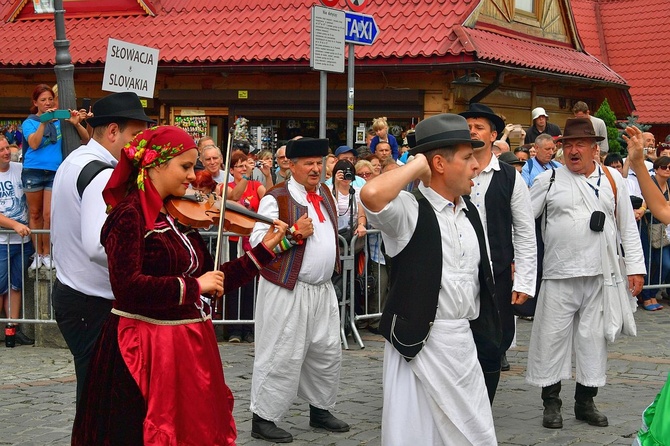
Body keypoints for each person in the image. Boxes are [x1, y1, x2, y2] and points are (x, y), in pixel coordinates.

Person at [70, 126, 288, 445]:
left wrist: (264, 250)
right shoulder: (129, 215)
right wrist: (191, 286)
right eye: (185, 166)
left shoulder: (178, 215)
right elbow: (127, 286)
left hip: (188, 345)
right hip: (145, 346)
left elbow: (213, 279)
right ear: (158, 164)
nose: (192, 175)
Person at [360, 113, 500, 445]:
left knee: (474, 434)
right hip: (418, 344)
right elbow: (372, 194)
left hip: (462, 342)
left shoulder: (469, 212)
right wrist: (414, 166)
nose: (475, 166)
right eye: (467, 158)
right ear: (438, 162)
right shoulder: (409, 209)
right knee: (416, 435)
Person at [526, 117, 646, 430]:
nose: (572, 150)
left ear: (595, 149)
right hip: (559, 273)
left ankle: (585, 401)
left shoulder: (613, 180)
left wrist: (635, 269)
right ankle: (551, 403)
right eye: (568, 145)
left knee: (593, 339)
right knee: (550, 339)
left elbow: (627, 228)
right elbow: (524, 221)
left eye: (580, 144)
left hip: (601, 275)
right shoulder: (548, 180)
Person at [50, 91, 155, 406]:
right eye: (135, 135)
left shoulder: (76, 159)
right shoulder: (103, 174)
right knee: (100, 399)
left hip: (75, 293)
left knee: (96, 393)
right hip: (90, 302)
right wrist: (145, 261)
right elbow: (98, 245)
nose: (140, 144)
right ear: (112, 131)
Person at [249, 137, 349, 443]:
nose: (316, 169)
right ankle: (263, 418)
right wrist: (292, 235)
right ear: (291, 166)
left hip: (322, 289)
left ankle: (320, 409)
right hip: (287, 289)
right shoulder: (276, 198)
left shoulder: (326, 194)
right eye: (309, 164)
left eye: (319, 163)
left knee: (326, 351)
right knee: (281, 352)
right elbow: (257, 243)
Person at [460, 102, 537, 401]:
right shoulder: (454, 172)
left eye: (479, 127)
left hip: (497, 273)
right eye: (468, 127)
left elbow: (525, 232)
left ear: (493, 135)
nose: (472, 131)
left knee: (496, 342)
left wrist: (525, 282)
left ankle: (483, 404)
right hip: (459, 273)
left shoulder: (509, 177)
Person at [22, 84, 88, 270]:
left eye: (50, 99)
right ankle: (38, 253)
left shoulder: (60, 119)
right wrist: (44, 122)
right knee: (34, 213)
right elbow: (34, 144)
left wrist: (78, 121)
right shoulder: (30, 122)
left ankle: (48, 252)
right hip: (33, 171)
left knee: (48, 215)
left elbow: (85, 138)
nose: (47, 103)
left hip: (54, 171)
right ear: (35, 103)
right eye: (42, 100)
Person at [222, 151, 268, 342]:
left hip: (250, 240)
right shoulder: (224, 185)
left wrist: (268, 176)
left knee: (251, 285)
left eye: (245, 165)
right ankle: (234, 329)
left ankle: (249, 327)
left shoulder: (257, 186)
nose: (243, 169)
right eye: (239, 166)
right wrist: (246, 176)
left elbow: (270, 201)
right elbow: (234, 196)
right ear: (231, 170)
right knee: (234, 282)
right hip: (234, 241)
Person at [0, 135, 34, 345]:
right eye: (1, 150)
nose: (6, 152)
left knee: (16, 285)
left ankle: (12, 329)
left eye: (6, 148)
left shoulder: (19, 169)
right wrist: (14, 225)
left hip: (22, 241)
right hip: (1, 241)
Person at [636, 156, 670, 311]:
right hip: (648, 228)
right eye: (664, 167)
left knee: (665, 264)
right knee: (650, 263)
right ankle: (646, 295)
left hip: (664, 230)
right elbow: (645, 200)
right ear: (656, 169)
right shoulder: (650, 182)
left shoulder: (669, 184)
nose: (667, 169)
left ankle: (652, 293)